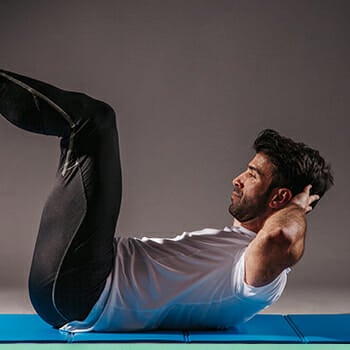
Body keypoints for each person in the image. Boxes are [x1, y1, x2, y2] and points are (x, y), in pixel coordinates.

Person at [0, 69, 333, 332]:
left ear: (281, 198)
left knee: (94, 121)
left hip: (83, 288)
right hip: (79, 283)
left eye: (253, 175)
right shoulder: (237, 247)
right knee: (87, 131)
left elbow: (282, 237)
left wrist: (298, 206)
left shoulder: (260, 272)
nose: (238, 179)